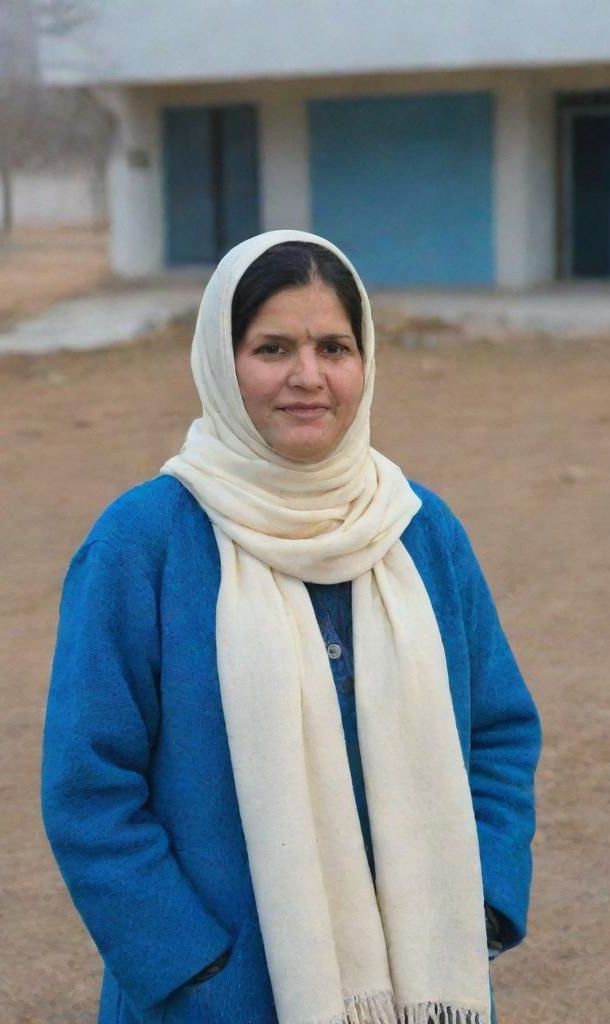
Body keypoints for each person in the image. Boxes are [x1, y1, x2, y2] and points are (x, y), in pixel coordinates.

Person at [41, 230, 541, 1024]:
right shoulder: (145, 545)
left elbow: (502, 732)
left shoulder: (419, 532)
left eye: (333, 347)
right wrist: (191, 967)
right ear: (220, 358)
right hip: (213, 996)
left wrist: (474, 903)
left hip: (416, 983)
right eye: (272, 347)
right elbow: (89, 789)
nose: (307, 377)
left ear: (365, 362)